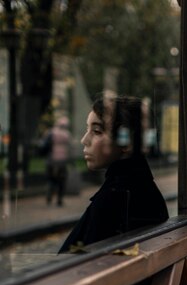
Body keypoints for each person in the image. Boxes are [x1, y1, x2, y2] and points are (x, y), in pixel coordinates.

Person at [59, 94, 169, 252]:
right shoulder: (143, 190)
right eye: (87, 129)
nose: (84, 139)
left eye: (96, 131)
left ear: (127, 142)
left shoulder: (114, 199)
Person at [43, 116, 73, 206]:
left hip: (51, 160)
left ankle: (49, 195)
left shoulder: (51, 132)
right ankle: (59, 199)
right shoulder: (67, 134)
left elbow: (45, 144)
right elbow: (71, 148)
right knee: (61, 181)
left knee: (50, 179)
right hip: (62, 161)